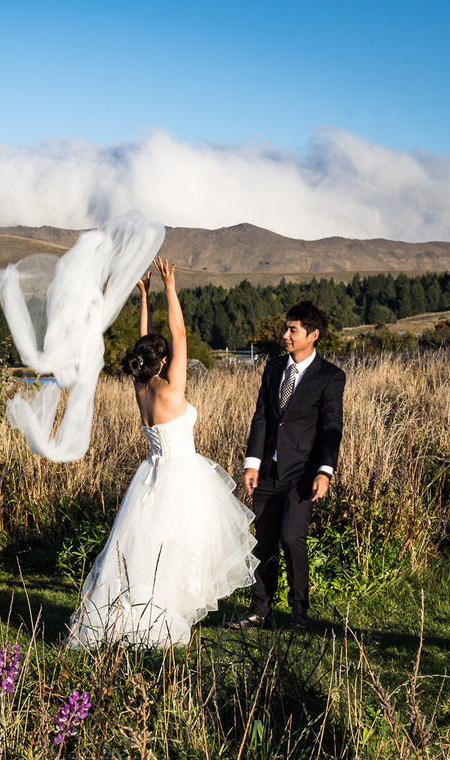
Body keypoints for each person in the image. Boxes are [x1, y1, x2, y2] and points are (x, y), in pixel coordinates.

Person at [67, 258, 258, 647]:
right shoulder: (172, 389)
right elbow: (181, 332)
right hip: (183, 477)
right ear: (166, 361)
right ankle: (161, 618)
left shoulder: (140, 388)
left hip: (151, 477)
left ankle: (134, 612)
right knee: (179, 549)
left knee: (144, 550)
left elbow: (148, 341)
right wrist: (169, 286)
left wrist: (143, 298)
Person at [229, 300, 345, 630]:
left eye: (293, 330)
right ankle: (259, 610)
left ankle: (299, 613)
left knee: (292, 538)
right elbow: (263, 416)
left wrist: (325, 471)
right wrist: (252, 463)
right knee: (263, 541)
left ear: (313, 335)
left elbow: (331, 427)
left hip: (303, 475)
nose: (285, 335)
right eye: (286, 328)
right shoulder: (273, 368)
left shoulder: (331, 377)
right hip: (268, 472)